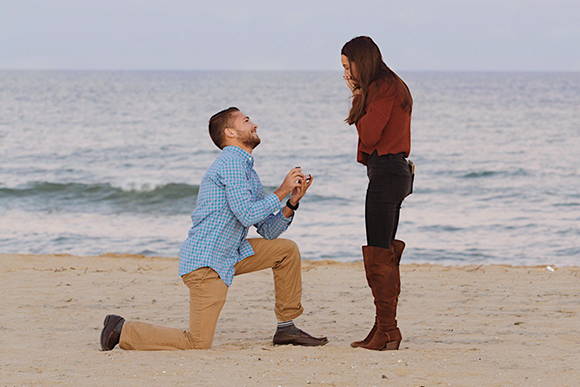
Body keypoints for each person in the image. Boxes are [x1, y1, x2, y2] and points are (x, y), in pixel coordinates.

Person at [100, 107, 328, 350]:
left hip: (231, 254)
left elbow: (268, 231)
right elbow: (246, 214)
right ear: (230, 132)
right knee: (197, 342)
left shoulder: (247, 172)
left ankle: (286, 328)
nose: (255, 125)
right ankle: (122, 329)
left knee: (285, 250)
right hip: (207, 264)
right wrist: (281, 191)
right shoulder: (230, 163)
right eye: (247, 120)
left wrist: (292, 202)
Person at [341, 36, 414, 351]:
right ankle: (384, 328)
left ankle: (389, 331)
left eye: (347, 66)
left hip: (387, 173)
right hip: (390, 172)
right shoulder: (388, 85)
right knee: (383, 252)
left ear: (362, 61)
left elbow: (370, 135)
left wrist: (358, 95)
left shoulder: (383, 88)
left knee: (378, 253)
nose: (345, 73)